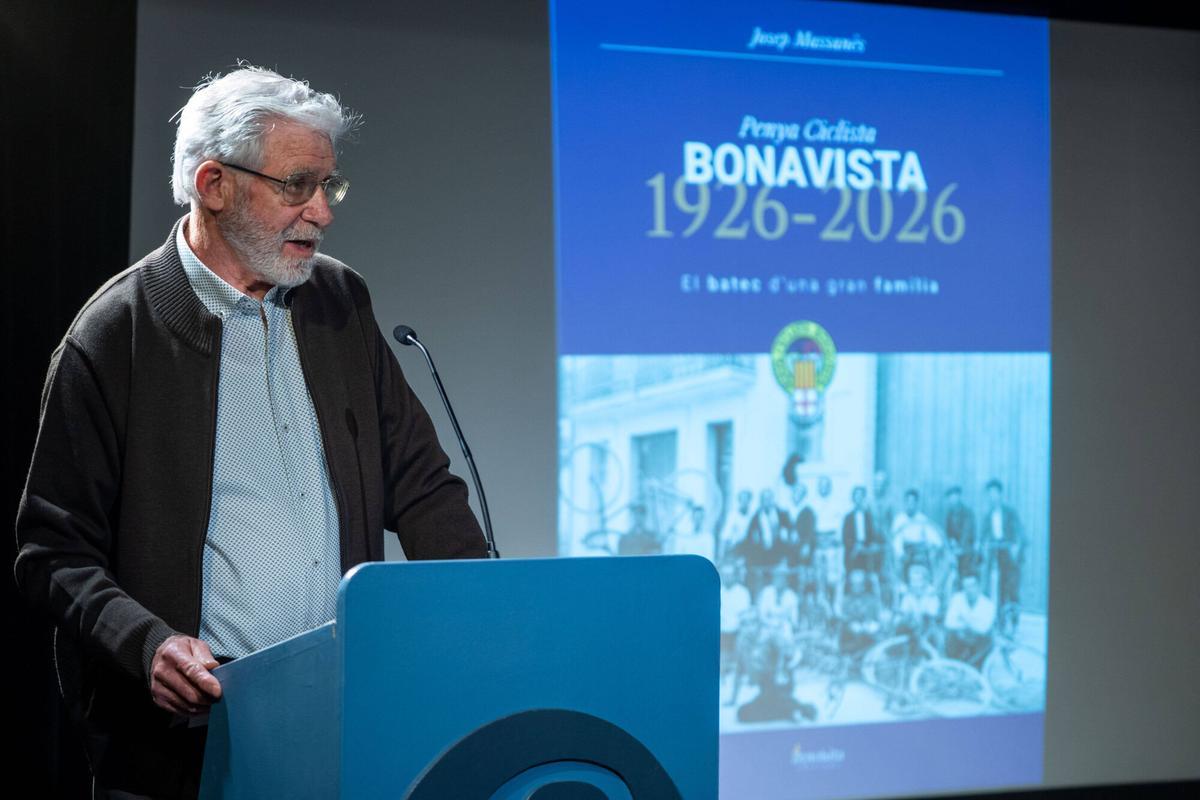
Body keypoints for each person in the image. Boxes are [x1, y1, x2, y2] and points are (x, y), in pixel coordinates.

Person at [13, 67, 488, 799]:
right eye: (297, 185)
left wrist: (483, 615)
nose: (322, 213)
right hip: (188, 742)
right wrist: (148, 646)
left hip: (338, 711)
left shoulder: (338, 300)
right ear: (214, 184)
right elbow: (52, 551)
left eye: (329, 187)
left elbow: (420, 485)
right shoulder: (114, 336)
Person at [979, 479, 1025, 614]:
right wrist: (981, 544)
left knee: (1011, 585)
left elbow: (1019, 531)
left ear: (1000, 494)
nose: (992, 497)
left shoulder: (1010, 512)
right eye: (989, 494)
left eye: (994, 493)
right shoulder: (988, 515)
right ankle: (999, 618)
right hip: (996, 551)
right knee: (997, 585)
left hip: (1010, 551)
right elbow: (983, 534)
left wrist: (1016, 546)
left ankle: (1013, 618)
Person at [944, 573, 996, 667]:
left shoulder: (988, 605)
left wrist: (964, 620)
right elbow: (949, 622)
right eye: (966, 587)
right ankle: (952, 667)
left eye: (972, 586)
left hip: (978, 639)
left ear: (979, 587)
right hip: (961, 637)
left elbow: (983, 628)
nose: (969, 590)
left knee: (988, 640)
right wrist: (973, 623)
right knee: (949, 636)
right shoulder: (958, 599)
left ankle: (977, 669)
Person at [943, 486, 978, 579]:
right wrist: (951, 542)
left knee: (965, 573)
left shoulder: (967, 512)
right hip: (954, 549)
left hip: (967, 549)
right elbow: (947, 532)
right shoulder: (949, 514)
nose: (952, 500)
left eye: (954, 497)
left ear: (959, 497)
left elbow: (967, 532)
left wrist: (960, 548)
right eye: (950, 498)